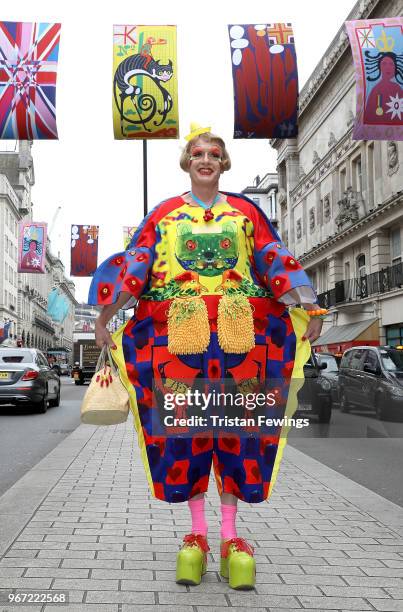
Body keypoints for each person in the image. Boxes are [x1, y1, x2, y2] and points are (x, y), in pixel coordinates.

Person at [89, 123, 323, 590]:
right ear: (187, 161)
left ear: (223, 163)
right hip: (181, 345)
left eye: (214, 153)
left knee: (237, 435)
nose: (206, 159)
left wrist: (307, 303)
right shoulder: (166, 214)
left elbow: (274, 258)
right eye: (198, 152)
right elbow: (137, 266)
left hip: (242, 345)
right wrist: (106, 316)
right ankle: (196, 535)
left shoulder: (244, 211)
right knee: (187, 437)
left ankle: (232, 537)